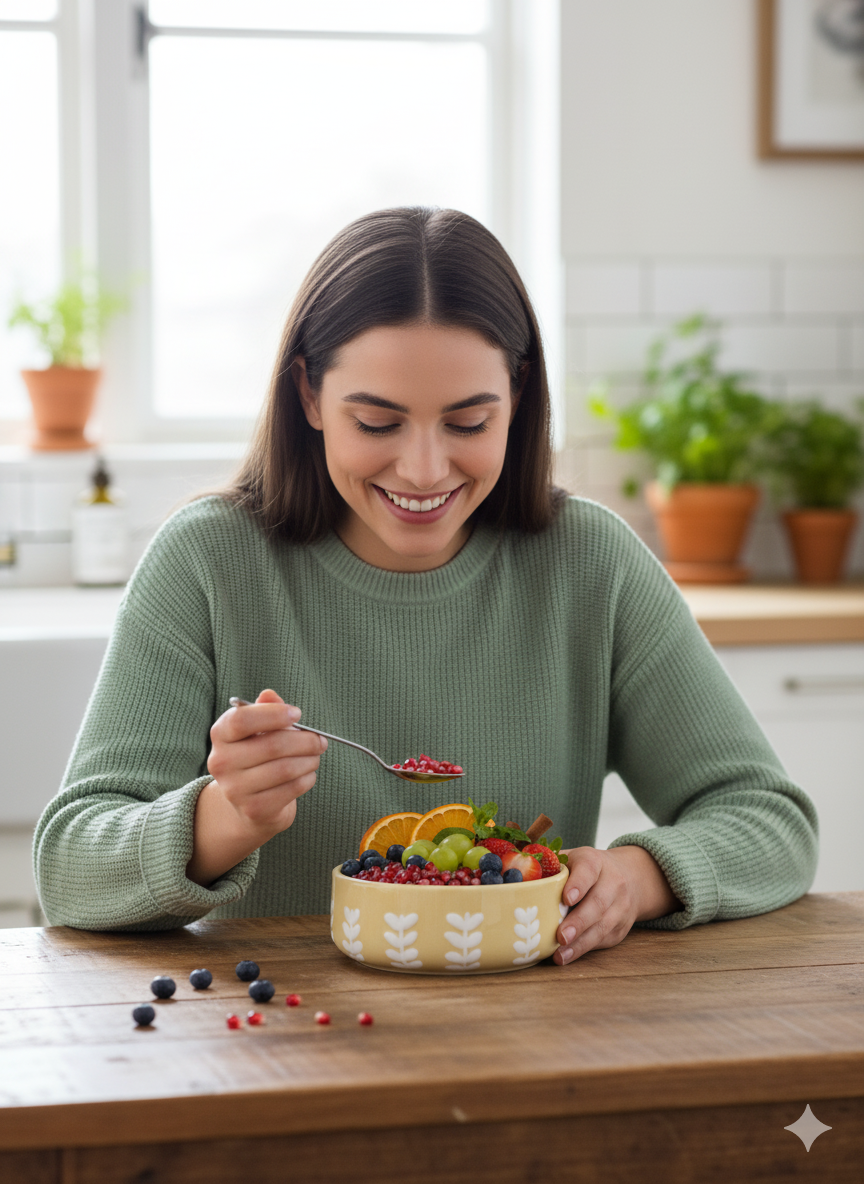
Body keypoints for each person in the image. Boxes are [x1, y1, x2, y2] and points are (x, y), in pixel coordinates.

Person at [33, 207, 817, 964]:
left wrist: (638, 879)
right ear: (308, 394)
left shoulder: (590, 564)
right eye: (376, 423)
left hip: (527, 1044)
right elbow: (69, 867)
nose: (423, 470)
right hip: (273, 1050)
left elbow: (771, 822)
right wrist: (224, 816)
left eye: (469, 423)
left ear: (518, 397)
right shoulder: (207, 563)